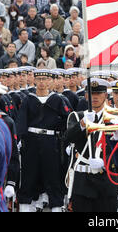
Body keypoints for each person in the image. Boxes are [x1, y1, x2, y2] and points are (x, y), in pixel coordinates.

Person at [15, 69, 71, 212]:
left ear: (50, 81)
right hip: (31, 141)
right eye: (39, 79)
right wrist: (20, 139)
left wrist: (66, 139)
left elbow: (68, 120)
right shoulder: (28, 99)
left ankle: (56, 207)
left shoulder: (57, 99)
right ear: (34, 81)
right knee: (29, 176)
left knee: (53, 176)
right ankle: (25, 206)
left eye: (45, 79)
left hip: (51, 142)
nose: (41, 82)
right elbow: (21, 121)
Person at [63, 78, 118, 211]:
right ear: (86, 96)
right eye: (91, 94)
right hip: (83, 182)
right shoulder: (77, 117)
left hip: (106, 180)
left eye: (99, 93)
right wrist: (82, 124)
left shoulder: (115, 119)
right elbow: (68, 138)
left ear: (106, 95)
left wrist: (105, 163)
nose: (95, 97)